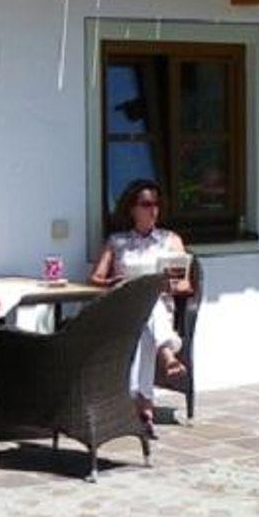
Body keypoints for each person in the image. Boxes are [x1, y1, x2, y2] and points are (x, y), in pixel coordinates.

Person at [89, 178, 192, 434]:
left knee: (147, 315)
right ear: (132, 208)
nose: (153, 209)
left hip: (157, 308)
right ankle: (166, 355)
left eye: (156, 204)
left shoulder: (170, 240)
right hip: (123, 309)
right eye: (146, 204)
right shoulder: (117, 241)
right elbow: (95, 278)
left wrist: (170, 285)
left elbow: (185, 285)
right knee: (143, 309)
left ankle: (142, 406)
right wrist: (111, 281)